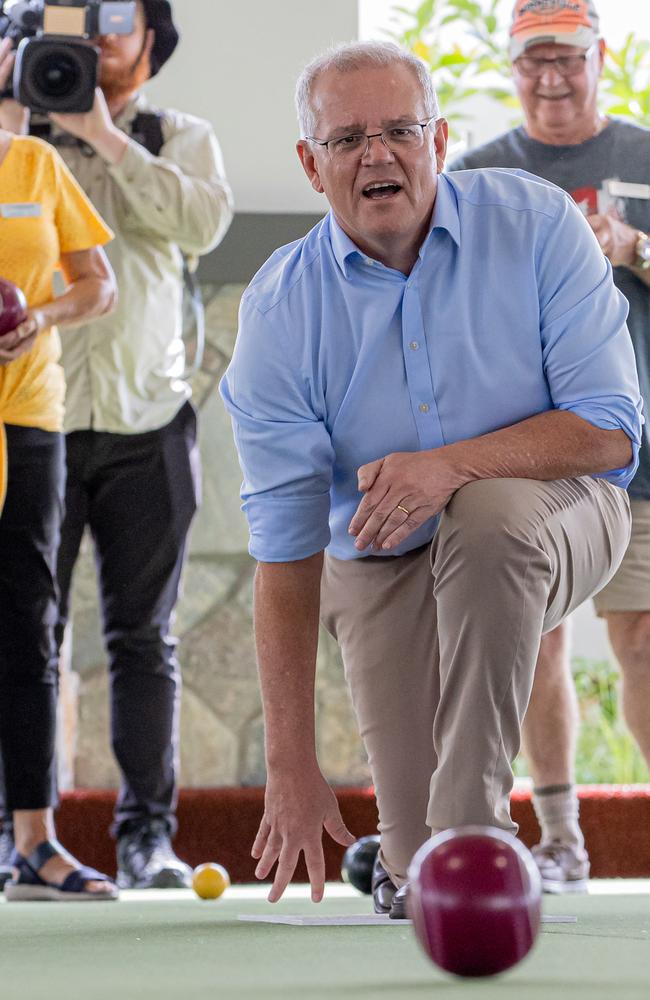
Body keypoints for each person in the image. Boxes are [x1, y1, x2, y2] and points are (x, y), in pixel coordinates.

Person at [220, 39, 643, 918]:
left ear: (440, 140)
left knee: (486, 517)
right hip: (379, 555)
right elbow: (288, 555)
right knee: (420, 884)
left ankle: (474, 830)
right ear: (311, 164)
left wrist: (449, 465)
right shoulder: (279, 313)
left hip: (561, 507)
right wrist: (292, 768)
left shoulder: (536, 224)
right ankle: (411, 853)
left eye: (400, 131)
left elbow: (609, 432)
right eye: (347, 140)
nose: (378, 155)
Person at [0, 0, 234, 889]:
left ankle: (147, 838)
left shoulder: (179, 134)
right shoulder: (16, 143)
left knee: (145, 637)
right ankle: (19, 834)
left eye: (112, 19)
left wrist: (100, 132)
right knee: (23, 632)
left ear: (151, 39)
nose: (92, 39)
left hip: (146, 415)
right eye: (69, 22)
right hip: (31, 421)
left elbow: (203, 227)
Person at [449, 0, 650, 893]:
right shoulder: (480, 173)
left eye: (568, 55)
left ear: (599, 56)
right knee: (535, 642)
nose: (553, 75)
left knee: (641, 638)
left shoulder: (642, 156)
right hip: (530, 453)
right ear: (512, 66)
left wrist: (631, 245)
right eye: (535, 60)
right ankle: (562, 836)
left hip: (640, 443)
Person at [0, 36, 119, 899]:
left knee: (28, 629)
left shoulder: (36, 164)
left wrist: (38, 317)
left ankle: (34, 844)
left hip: (29, 420)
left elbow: (98, 285)